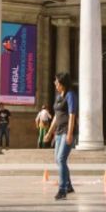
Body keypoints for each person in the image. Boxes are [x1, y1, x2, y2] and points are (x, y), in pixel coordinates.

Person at [44, 72, 77, 200]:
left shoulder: (70, 95)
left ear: (62, 83)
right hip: (58, 132)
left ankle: (62, 190)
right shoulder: (58, 97)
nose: (55, 83)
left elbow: (72, 115)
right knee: (58, 160)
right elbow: (56, 117)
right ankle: (68, 186)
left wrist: (69, 133)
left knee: (61, 159)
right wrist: (49, 132)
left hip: (66, 131)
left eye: (57, 81)